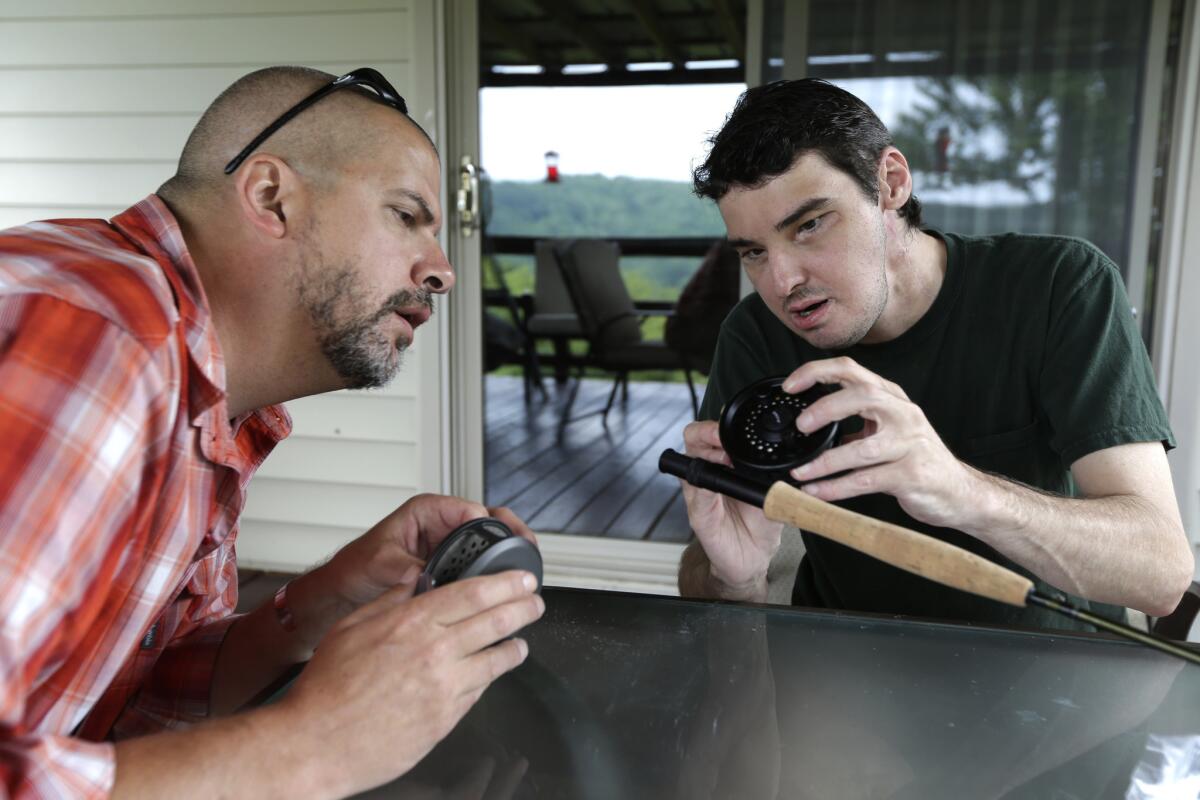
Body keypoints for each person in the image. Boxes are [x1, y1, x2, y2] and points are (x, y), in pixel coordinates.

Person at [0, 66, 544, 799]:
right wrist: (312, 749)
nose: (442, 272)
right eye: (406, 215)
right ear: (270, 197)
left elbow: (139, 695)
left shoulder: (212, 403)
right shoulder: (97, 334)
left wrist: (320, 601)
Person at [677, 78, 1193, 630]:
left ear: (890, 183)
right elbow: (703, 584)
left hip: (1049, 670)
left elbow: (1160, 577)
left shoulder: (1057, 286)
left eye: (808, 225)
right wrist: (735, 577)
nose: (782, 282)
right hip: (841, 666)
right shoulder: (756, 332)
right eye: (754, 252)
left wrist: (958, 488)